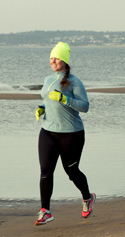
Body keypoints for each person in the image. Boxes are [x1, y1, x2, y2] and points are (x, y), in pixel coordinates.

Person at [33, 42, 95, 225]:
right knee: (45, 171)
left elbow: (85, 106)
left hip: (71, 134)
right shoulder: (47, 79)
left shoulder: (75, 82)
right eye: (51, 58)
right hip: (48, 132)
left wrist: (64, 98)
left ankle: (87, 198)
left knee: (71, 171)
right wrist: (42, 109)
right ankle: (45, 211)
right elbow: (47, 101)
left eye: (56, 58)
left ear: (65, 61)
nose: (53, 61)